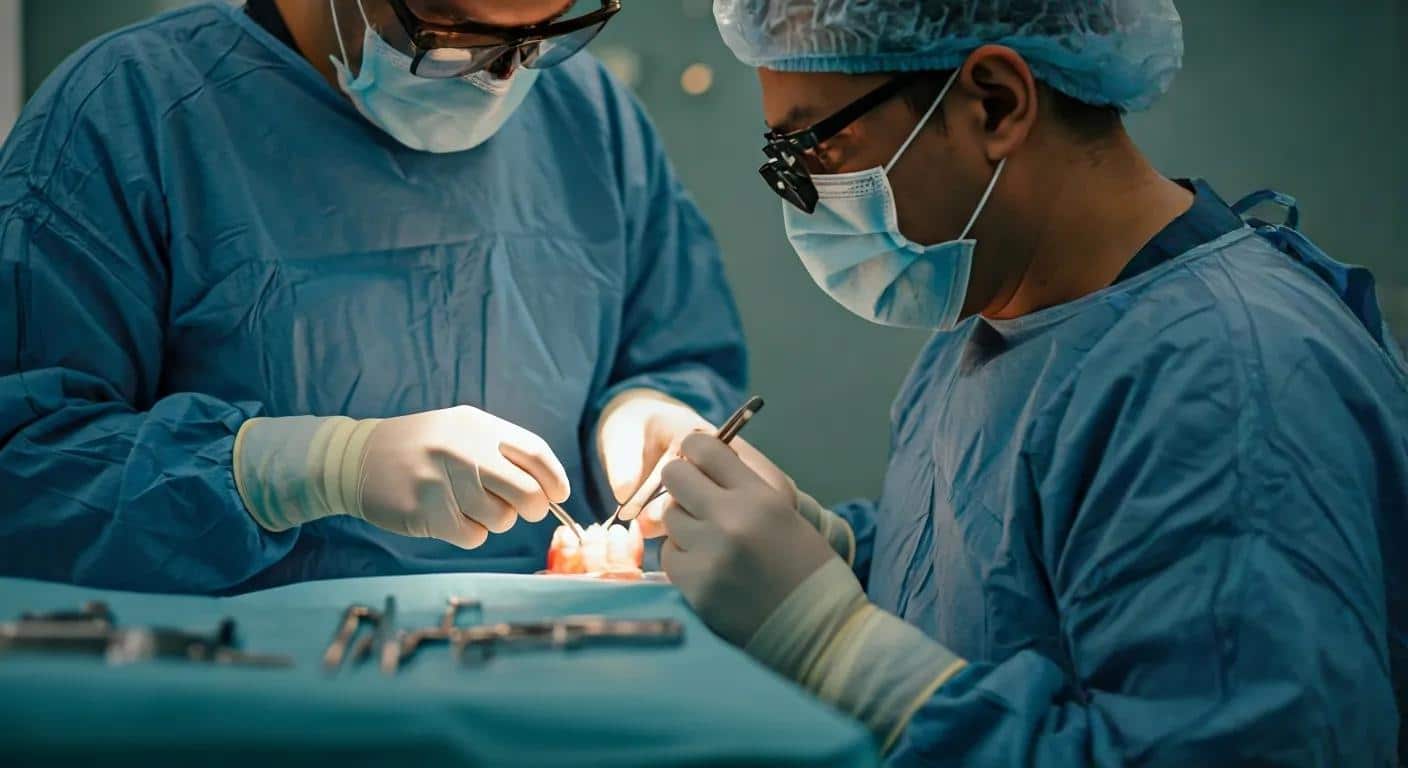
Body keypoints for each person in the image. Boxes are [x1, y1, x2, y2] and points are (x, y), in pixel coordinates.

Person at [626, 0, 1408, 764]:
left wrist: (832, 643)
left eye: (812, 148)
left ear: (994, 104)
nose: (798, 193)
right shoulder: (1001, 315)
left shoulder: (1231, 385)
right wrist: (833, 550)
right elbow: (993, 591)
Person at [0, 0, 746, 594]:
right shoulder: (133, 111)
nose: (502, 76)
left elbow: (676, 344)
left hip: (549, 685)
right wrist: (303, 468)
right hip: (239, 706)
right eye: (455, 31)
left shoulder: (586, 114)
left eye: (545, 33)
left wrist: (644, 410)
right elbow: (27, 475)